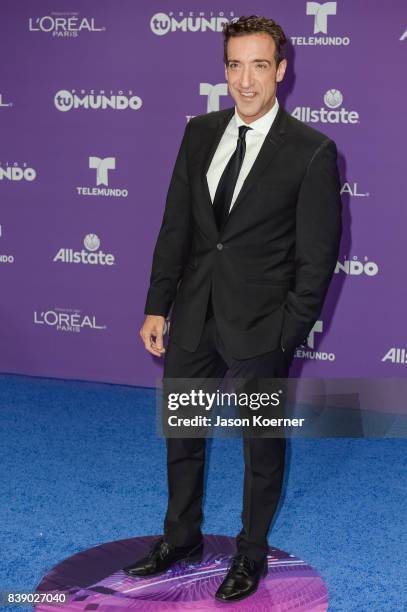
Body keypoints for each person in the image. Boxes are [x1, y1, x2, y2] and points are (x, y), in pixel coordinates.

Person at [123, 15, 342, 603]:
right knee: (184, 433)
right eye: (235, 65)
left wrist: (285, 333)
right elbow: (176, 228)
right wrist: (155, 305)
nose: (246, 81)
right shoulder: (199, 134)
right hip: (194, 315)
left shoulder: (312, 152)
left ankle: (250, 554)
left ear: (282, 71)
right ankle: (182, 538)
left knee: (260, 447)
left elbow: (317, 260)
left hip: (261, 328)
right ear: (224, 69)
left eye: (260, 65)